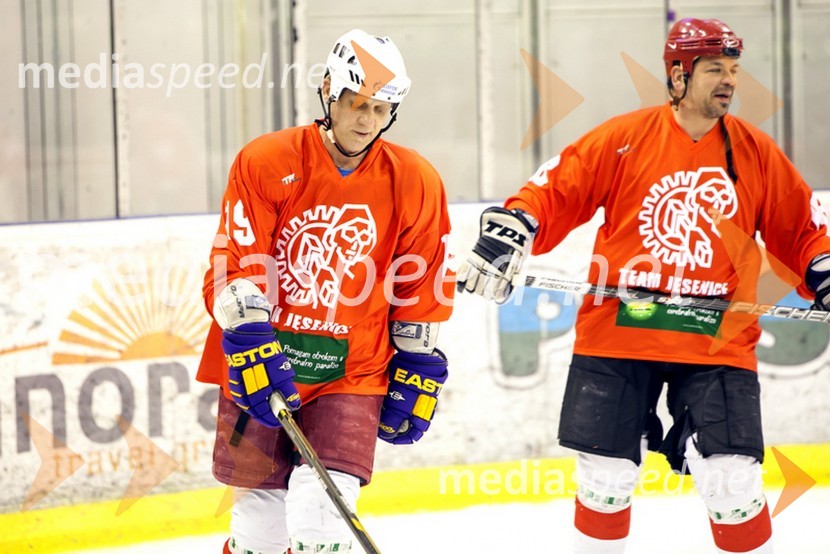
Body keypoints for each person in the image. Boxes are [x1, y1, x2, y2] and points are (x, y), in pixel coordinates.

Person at [457, 17, 830, 554]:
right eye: (713, 70)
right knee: (604, 477)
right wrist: (515, 226)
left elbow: (803, 231)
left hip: (715, 341)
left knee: (732, 480)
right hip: (617, 335)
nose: (728, 81)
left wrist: (822, 270)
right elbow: (554, 189)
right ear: (678, 75)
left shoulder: (755, 152)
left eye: (733, 70)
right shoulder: (625, 139)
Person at [196, 29, 454, 554]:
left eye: (380, 109)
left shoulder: (415, 180)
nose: (365, 120)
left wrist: (418, 361)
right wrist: (248, 337)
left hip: (352, 370)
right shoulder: (268, 160)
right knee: (258, 531)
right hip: (263, 355)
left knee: (323, 520)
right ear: (328, 92)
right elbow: (235, 265)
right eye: (356, 104)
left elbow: (419, 282)